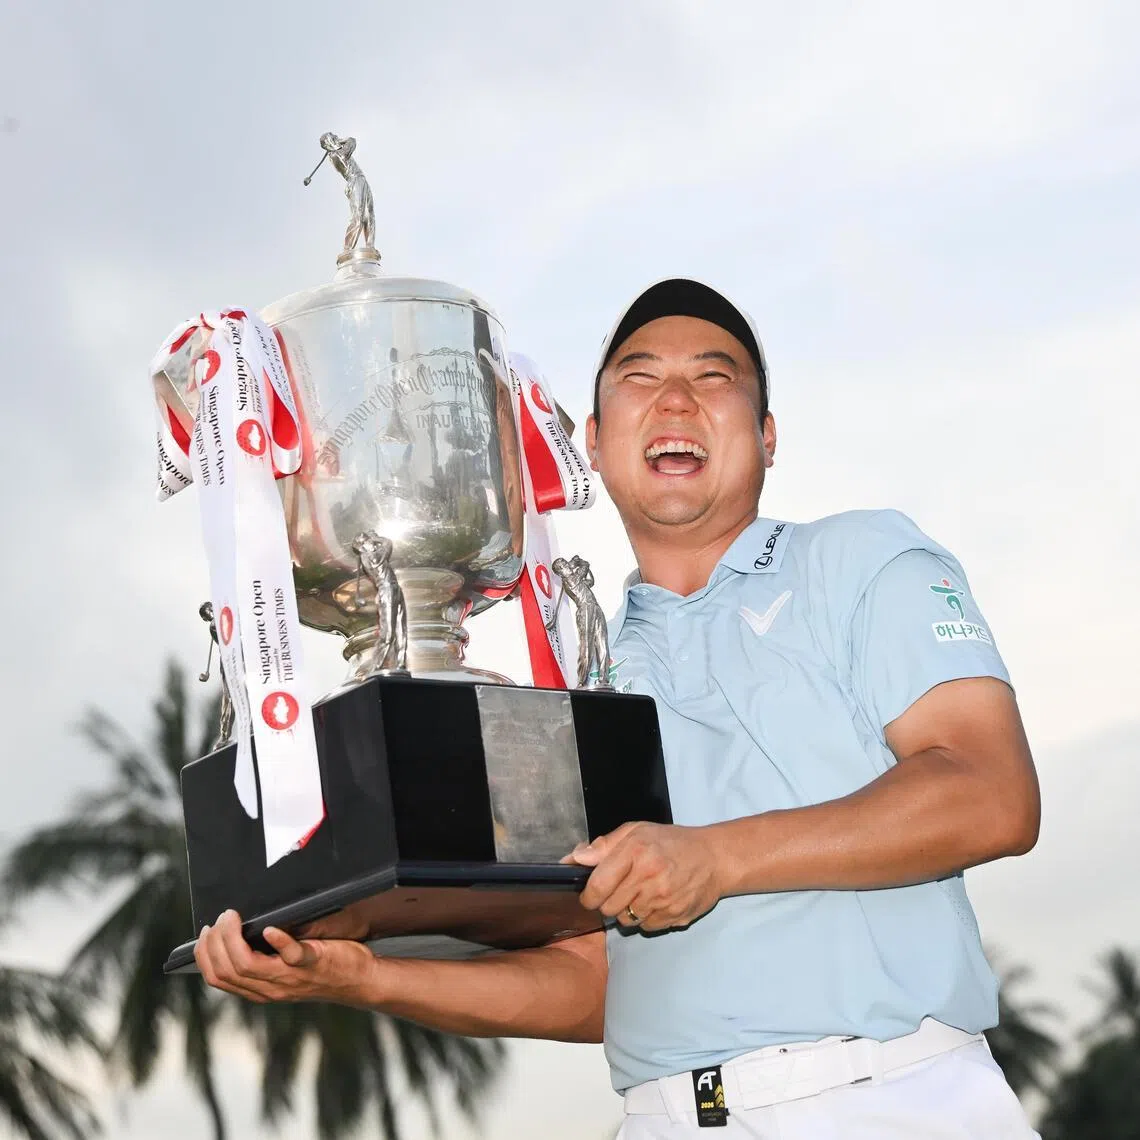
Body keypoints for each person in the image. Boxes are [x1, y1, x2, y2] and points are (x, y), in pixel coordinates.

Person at [195, 278, 1041, 1138]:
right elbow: (601, 984)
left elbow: (990, 792)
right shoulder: (575, 673)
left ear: (767, 435)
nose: (675, 398)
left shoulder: (860, 558)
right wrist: (359, 978)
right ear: (592, 446)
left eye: (715, 378)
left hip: (889, 1099)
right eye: (639, 378)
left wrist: (714, 859)